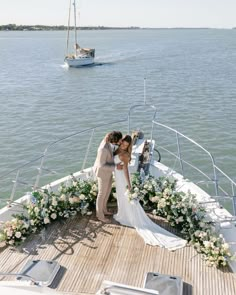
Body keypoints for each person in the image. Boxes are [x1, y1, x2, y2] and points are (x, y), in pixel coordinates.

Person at [113, 135, 187, 251]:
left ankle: (127, 216)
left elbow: (126, 170)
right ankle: (123, 213)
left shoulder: (125, 155)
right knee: (121, 198)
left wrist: (129, 185)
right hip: (117, 178)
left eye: (126, 146)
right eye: (123, 144)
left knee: (125, 197)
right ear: (121, 142)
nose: (124, 146)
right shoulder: (116, 149)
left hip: (123, 179)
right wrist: (116, 166)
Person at [93, 131, 123, 222]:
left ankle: (104, 210)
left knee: (107, 191)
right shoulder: (103, 149)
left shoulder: (108, 141)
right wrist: (115, 167)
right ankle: (100, 215)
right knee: (102, 194)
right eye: (120, 140)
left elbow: (108, 135)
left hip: (108, 172)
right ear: (114, 140)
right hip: (102, 173)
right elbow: (101, 165)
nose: (121, 142)